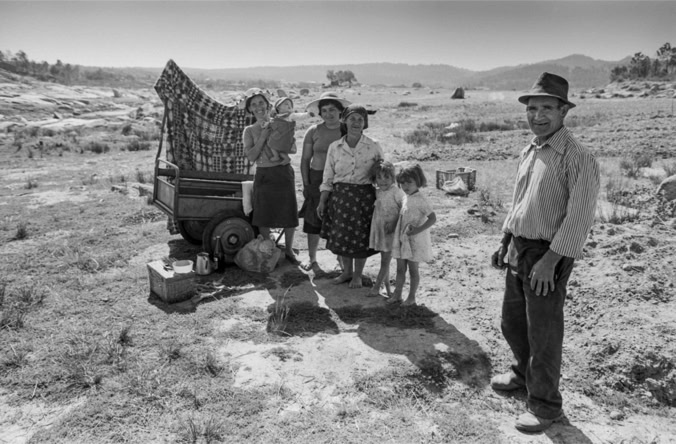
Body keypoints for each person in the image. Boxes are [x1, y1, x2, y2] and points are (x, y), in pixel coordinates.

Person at [490, 72, 600, 433]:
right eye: (532, 108)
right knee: (513, 322)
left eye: (546, 108)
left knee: (544, 333)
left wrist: (550, 261)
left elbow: (579, 217)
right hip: (519, 247)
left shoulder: (577, 156)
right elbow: (519, 201)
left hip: (548, 254)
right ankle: (523, 375)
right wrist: (505, 239)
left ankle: (545, 405)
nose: (537, 115)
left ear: (563, 110)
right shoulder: (531, 149)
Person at [317, 104, 383, 288]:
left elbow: (382, 174)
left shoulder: (373, 145)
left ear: (365, 123)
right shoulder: (335, 147)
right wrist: (322, 201)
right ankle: (346, 272)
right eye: (352, 118)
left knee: (361, 238)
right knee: (343, 236)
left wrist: (383, 199)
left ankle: (357, 276)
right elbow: (328, 176)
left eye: (360, 119)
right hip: (341, 198)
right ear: (344, 120)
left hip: (364, 198)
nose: (356, 122)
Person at [242, 88, 299, 264]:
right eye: (253, 104)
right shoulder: (249, 130)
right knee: (263, 214)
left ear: (268, 105)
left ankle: (289, 250)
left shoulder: (280, 122)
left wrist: (284, 137)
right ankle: (269, 250)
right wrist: (263, 137)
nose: (258, 107)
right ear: (249, 109)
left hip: (283, 172)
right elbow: (251, 157)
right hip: (264, 174)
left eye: (261, 102)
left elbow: (293, 149)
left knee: (289, 212)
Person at [299, 92, 351, 271]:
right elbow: (305, 159)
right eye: (325, 110)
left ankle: (340, 258)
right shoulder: (313, 131)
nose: (329, 114)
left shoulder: (347, 130)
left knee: (339, 219)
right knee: (313, 218)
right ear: (320, 113)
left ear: (340, 111)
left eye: (332, 109)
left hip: (341, 180)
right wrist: (306, 184)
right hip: (316, 178)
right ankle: (312, 258)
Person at [390, 164, 436, 306]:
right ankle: (397, 294)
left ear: (418, 181)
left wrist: (418, 230)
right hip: (403, 239)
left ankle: (411, 297)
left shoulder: (421, 200)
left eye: (409, 182)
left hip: (415, 241)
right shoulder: (405, 197)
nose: (405, 186)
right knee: (400, 268)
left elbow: (432, 218)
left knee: (413, 270)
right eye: (402, 183)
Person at [368, 160, 405, 297]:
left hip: (391, 232)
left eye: (387, 177)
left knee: (385, 261)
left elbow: (404, 209)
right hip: (381, 230)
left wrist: (394, 222)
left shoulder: (396, 192)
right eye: (379, 177)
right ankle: (387, 288)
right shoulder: (378, 192)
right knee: (384, 260)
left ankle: (376, 287)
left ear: (393, 178)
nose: (382, 181)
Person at [264, 97, 310, 163]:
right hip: (277, 138)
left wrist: (308, 114)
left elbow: (300, 116)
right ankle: (282, 157)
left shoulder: (290, 116)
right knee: (272, 146)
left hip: (285, 138)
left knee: (277, 147)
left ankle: (278, 156)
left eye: (290, 105)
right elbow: (270, 123)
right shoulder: (276, 117)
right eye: (286, 104)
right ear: (278, 107)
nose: (289, 106)